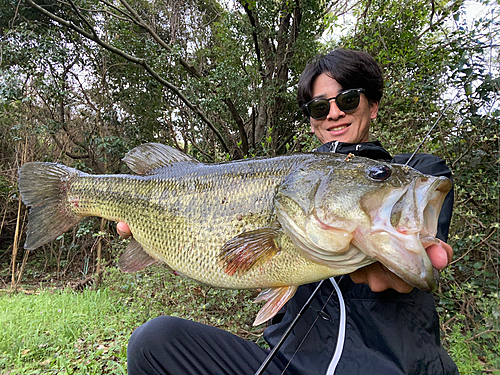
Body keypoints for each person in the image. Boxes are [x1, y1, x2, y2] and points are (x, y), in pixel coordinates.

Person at [118, 49, 459, 374]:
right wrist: (177, 247)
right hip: (284, 366)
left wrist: (402, 266)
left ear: (373, 106)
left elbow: (418, 254)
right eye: (319, 107)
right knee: (153, 343)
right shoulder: (295, 178)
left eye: (348, 99)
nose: (334, 113)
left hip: (390, 367)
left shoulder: (417, 173)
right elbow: (232, 258)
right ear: (312, 122)